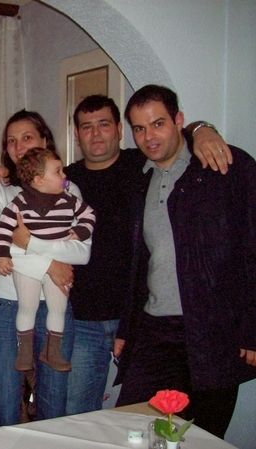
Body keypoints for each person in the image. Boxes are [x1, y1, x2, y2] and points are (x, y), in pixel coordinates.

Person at [0, 107, 232, 426]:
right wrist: (51, 264)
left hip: (120, 312)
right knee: (30, 402)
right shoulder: (7, 187)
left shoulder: (94, 178)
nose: (19, 147)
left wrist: (201, 129)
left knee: (75, 407)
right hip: (47, 307)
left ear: (45, 141)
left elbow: (79, 248)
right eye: (11, 140)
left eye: (27, 137)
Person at [114, 85, 256, 439]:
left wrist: (252, 329)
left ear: (178, 120)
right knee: (133, 428)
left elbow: (251, 248)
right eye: (139, 128)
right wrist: (126, 330)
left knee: (201, 437)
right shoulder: (138, 177)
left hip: (213, 332)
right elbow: (138, 266)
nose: (149, 137)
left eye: (158, 123)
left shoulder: (222, 166)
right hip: (154, 330)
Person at [0, 147, 95, 372]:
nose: (64, 176)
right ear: (39, 180)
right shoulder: (19, 203)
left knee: (58, 308)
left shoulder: (69, 199)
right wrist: (1, 255)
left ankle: (52, 352)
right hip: (28, 268)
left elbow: (89, 215)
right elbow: (2, 229)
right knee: (27, 307)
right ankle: (25, 353)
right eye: (58, 171)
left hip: (59, 266)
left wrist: (81, 231)